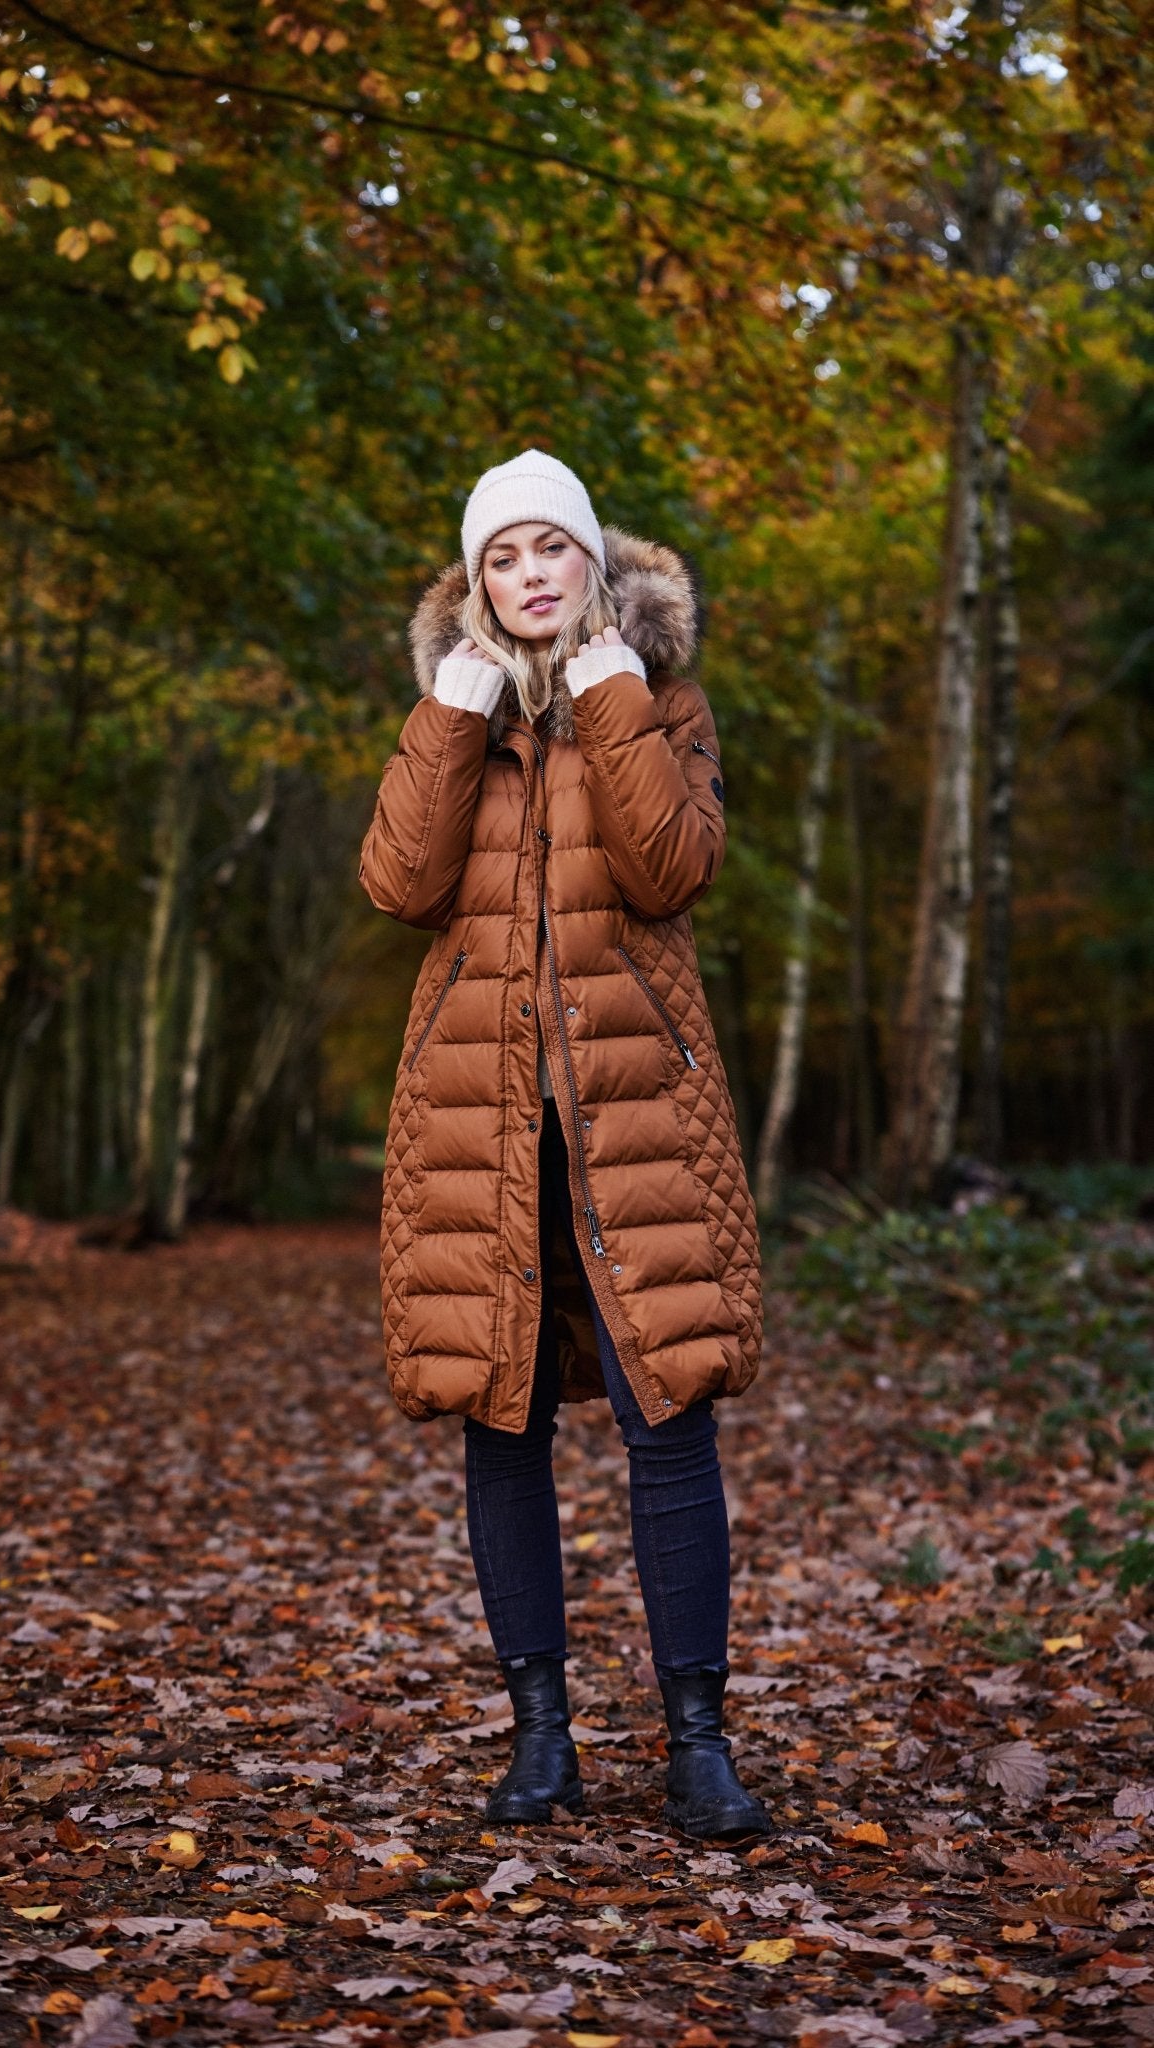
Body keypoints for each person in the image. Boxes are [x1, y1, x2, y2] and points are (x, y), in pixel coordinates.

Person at [358, 450, 770, 1841]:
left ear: (594, 564)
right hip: (481, 1126)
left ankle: (696, 1745)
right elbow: (398, 884)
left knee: (671, 1426)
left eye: (552, 549)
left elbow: (670, 868)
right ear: (475, 586)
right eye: (501, 558)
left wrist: (610, 693)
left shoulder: (658, 707)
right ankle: (540, 1739)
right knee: (502, 1425)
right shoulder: (455, 721)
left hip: (637, 1118)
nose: (529, 575)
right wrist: (445, 721)